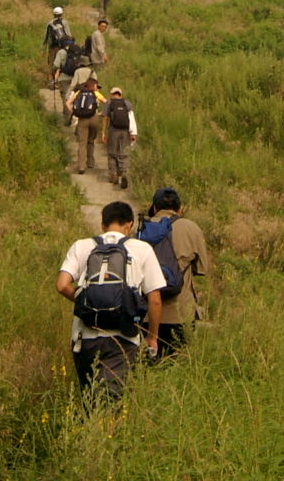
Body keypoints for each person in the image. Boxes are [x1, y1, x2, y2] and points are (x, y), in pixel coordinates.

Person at [56, 201, 164, 401]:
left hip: (84, 337)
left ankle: (89, 420)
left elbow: (62, 285)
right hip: (123, 337)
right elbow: (155, 300)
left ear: (103, 225)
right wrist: (152, 337)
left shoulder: (81, 246)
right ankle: (105, 422)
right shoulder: (142, 249)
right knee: (111, 400)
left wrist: (85, 303)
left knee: (89, 398)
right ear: (130, 225)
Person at [141, 187, 210, 358]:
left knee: (148, 364)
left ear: (154, 208)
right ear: (180, 209)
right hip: (181, 313)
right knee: (178, 363)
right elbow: (202, 268)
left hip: (147, 314)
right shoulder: (190, 227)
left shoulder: (142, 229)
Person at [65, 77, 104, 174]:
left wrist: (74, 112)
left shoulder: (79, 92)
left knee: (82, 143)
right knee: (91, 140)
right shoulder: (95, 93)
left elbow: (68, 103)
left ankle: (81, 166)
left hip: (82, 120)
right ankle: (90, 162)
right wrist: (101, 113)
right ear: (93, 86)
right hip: (94, 118)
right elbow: (107, 103)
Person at [101, 86, 137, 189]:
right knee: (123, 153)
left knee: (112, 153)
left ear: (112, 94)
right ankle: (124, 172)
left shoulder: (109, 103)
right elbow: (131, 119)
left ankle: (114, 175)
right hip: (125, 131)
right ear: (120, 94)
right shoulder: (127, 103)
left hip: (113, 131)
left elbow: (105, 118)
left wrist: (103, 132)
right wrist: (133, 133)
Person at [42, 6, 71, 72]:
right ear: (62, 14)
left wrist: (44, 48)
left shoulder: (50, 23)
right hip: (62, 47)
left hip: (52, 46)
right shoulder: (65, 22)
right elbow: (68, 35)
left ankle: (50, 76)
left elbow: (46, 36)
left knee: (51, 63)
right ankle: (59, 75)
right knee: (61, 62)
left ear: (54, 14)